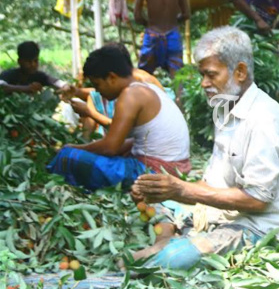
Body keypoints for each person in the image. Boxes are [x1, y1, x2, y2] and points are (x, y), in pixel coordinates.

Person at [129, 27, 279, 270]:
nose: (204, 83)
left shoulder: (264, 119)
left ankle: (164, 252)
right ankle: (165, 242)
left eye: (211, 75)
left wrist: (182, 190)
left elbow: (258, 201)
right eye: (202, 75)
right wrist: (160, 189)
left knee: (175, 260)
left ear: (240, 71)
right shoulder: (225, 109)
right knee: (157, 203)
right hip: (221, 214)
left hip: (257, 227)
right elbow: (212, 184)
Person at [47, 46, 190, 191]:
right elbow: (133, 141)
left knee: (67, 156)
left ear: (111, 77)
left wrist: (76, 147)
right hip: (178, 169)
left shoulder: (130, 95)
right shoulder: (145, 88)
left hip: (154, 175)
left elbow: (110, 147)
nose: (98, 91)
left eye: (97, 84)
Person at [71, 43, 165, 138]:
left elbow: (116, 141)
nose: (97, 90)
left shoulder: (135, 91)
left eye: (97, 84)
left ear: (112, 75)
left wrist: (90, 113)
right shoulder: (123, 87)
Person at [133, 0, 190, 78]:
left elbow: (137, 16)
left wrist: (148, 23)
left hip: (152, 34)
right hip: (173, 35)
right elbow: (186, 14)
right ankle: (179, 98)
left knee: (143, 76)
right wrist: (173, 21)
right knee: (178, 78)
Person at [0, 41, 74, 96]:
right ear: (19, 61)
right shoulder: (8, 75)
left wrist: (65, 86)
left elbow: (54, 81)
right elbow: (2, 86)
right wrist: (27, 88)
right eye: (28, 61)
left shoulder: (39, 76)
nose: (33, 64)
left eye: (35, 61)